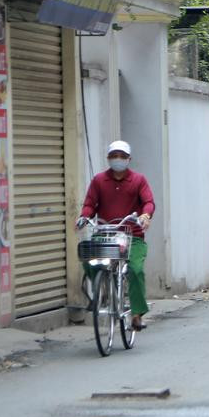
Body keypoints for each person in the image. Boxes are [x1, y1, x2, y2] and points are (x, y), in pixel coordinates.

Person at [76, 140, 154, 330]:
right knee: (89, 258)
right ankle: (100, 292)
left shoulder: (138, 180)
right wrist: (84, 217)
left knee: (135, 270)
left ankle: (136, 314)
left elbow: (149, 202)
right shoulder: (99, 181)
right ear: (108, 159)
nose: (117, 159)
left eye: (121, 156)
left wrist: (145, 215)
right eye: (114, 156)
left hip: (131, 236)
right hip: (105, 234)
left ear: (129, 159)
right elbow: (89, 204)